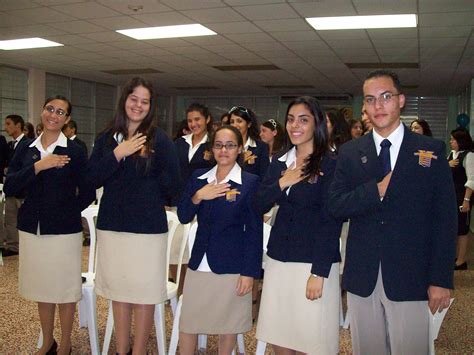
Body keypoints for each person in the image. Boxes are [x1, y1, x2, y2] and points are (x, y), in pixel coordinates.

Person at [328, 70, 457, 355]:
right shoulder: (351, 152)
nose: (378, 106)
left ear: (401, 100)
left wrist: (441, 279)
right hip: (363, 275)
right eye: (371, 100)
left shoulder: (431, 151)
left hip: (412, 274)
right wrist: (376, 191)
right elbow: (336, 204)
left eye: (385, 97)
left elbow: (445, 220)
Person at [88, 77, 180, 355]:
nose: (138, 105)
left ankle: (138, 350)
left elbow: (174, 186)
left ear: (151, 106)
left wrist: (146, 165)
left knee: (144, 294)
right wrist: (118, 153)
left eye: (145, 101)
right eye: (133, 99)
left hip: (147, 229)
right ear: (124, 100)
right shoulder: (107, 139)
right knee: (119, 291)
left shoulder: (160, 140)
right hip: (113, 226)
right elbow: (91, 177)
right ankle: (121, 350)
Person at [4, 95, 95, 354]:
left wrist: (67, 210)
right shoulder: (26, 148)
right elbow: (11, 185)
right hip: (32, 228)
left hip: (64, 230)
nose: (53, 115)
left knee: (64, 289)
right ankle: (48, 341)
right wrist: (38, 166)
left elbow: (88, 190)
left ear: (66, 119)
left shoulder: (75, 150)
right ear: (43, 112)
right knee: (43, 288)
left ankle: (65, 343)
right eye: (49, 109)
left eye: (60, 112)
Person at [255, 96, 342, 354]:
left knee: (310, 338)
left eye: (303, 120)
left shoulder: (331, 163)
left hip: (312, 262)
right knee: (280, 334)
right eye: (291, 119)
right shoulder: (280, 162)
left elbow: (331, 220)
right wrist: (283, 181)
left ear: (316, 124)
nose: (295, 125)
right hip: (279, 259)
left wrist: (319, 272)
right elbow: (257, 204)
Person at [177, 125, 262, 354]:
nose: (224, 150)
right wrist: (198, 196)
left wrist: (249, 273)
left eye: (230, 145)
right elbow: (184, 215)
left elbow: (254, 231)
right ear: (212, 148)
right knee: (189, 323)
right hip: (199, 262)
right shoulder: (198, 177)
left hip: (232, 266)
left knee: (229, 325)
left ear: (240, 149)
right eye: (218, 145)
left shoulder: (250, 182)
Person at [173, 103, 215, 294]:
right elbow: (170, 172)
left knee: (194, 252)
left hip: (203, 204)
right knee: (175, 253)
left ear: (207, 119)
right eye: (190, 120)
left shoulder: (214, 144)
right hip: (178, 203)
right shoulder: (179, 143)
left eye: (197, 119)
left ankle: (194, 292)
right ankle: (179, 291)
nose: (193, 124)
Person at [1, 114, 31, 256]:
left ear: (18, 125)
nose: (5, 127)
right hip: (11, 188)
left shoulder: (29, 143)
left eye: (8, 124)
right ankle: (13, 246)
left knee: (24, 219)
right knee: (10, 219)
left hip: (23, 190)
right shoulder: (9, 145)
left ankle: (25, 245)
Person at [448, 128, 473, 270]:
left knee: (462, 230)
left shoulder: (468, 156)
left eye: (453, 139)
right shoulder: (452, 155)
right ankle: (455, 256)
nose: (451, 142)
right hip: (452, 196)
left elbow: (472, 180)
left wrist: (467, 200)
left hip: (463, 196)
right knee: (454, 228)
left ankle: (461, 260)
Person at [229, 106, 269, 179]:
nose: (234, 125)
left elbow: (265, 177)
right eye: (232, 122)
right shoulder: (225, 146)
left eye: (239, 121)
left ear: (249, 124)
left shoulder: (261, 147)